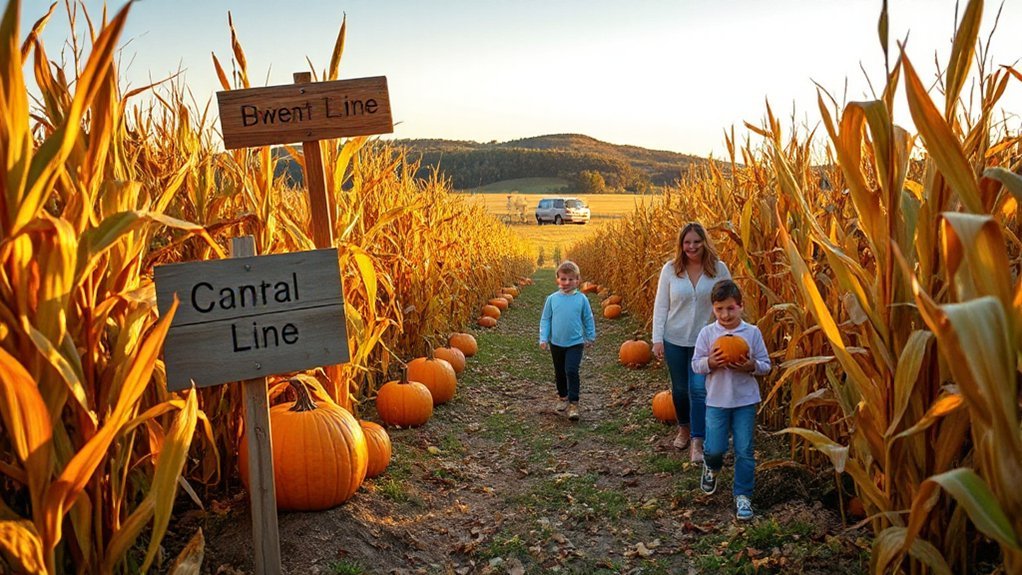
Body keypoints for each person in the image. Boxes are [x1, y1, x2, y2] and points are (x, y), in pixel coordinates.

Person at [691, 279, 771, 521]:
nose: (725, 314)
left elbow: (766, 366)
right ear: (713, 309)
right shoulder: (707, 334)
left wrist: (751, 366)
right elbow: (696, 365)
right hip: (716, 401)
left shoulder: (752, 333)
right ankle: (711, 467)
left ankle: (743, 495)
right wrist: (711, 363)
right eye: (719, 309)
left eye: (730, 308)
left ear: (741, 306)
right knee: (714, 448)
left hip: (745, 401)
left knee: (744, 450)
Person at [651, 222, 730, 462]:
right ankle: (683, 428)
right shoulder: (671, 269)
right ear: (681, 245)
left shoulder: (719, 269)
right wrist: (657, 339)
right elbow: (661, 305)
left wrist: (730, 334)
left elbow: (729, 300)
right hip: (674, 338)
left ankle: (698, 440)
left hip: (704, 340)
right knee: (680, 389)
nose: (692, 246)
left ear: (704, 242)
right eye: (687, 242)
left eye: (696, 241)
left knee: (698, 390)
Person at [539, 260, 596, 421]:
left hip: (575, 342)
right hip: (556, 342)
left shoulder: (581, 299)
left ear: (578, 280)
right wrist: (544, 338)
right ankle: (562, 397)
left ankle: (574, 403)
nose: (567, 282)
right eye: (563, 279)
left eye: (571, 279)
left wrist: (590, 336)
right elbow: (546, 319)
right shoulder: (552, 299)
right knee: (560, 372)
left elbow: (588, 318)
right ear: (557, 279)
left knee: (571, 370)